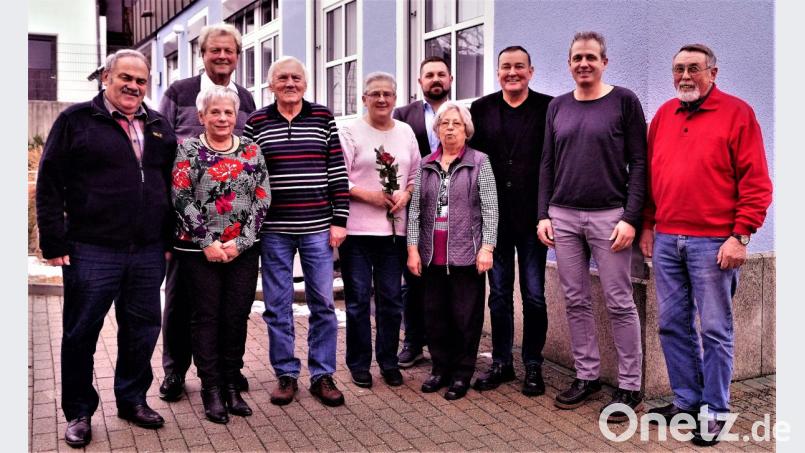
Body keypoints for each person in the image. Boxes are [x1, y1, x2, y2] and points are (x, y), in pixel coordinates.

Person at [36, 49, 177, 448]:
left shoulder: (159, 126)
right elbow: (49, 181)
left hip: (147, 250)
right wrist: (53, 239)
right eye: (125, 78)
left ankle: (132, 399)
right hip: (91, 248)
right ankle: (79, 411)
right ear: (106, 78)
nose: (133, 86)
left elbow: (170, 186)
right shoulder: (76, 120)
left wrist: (167, 239)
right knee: (81, 332)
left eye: (141, 80)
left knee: (143, 329)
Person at [640, 43, 772, 446]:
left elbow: (756, 183)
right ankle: (686, 404)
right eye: (678, 68)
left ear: (713, 73)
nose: (684, 76)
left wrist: (741, 235)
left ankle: (715, 412)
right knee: (672, 325)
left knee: (715, 330)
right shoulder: (663, 115)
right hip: (666, 239)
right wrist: (648, 225)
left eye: (693, 68)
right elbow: (650, 178)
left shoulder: (738, 114)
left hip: (714, 243)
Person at [536, 32, 646, 421]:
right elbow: (547, 162)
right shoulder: (558, 107)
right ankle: (587, 376)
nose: (584, 63)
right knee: (576, 299)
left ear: (604, 62)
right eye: (577, 58)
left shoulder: (624, 101)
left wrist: (632, 218)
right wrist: (543, 214)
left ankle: (630, 385)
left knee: (619, 301)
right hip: (563, 216)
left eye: (591, 57)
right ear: (569, 64)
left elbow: (640, 163)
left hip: (609, 217)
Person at [158, 23, 256, 401]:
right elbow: (163, 151)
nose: (222, 56)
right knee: (182, 300)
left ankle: (224, 372)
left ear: (236, 55)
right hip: (187, 224)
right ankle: (174, 372)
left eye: (228, 51)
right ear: (202, 54)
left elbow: (246, 159)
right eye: (215, 50)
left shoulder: (245, 99)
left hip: (232, 227)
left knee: (226, 304)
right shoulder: (179, 92)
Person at [244, 56, 350, 407]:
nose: (290, 83)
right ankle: (286, 374)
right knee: (277, 306)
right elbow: (247, 177)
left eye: (297, 77)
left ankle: (322, 375)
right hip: (274, 230)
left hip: (318, 227)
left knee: (322, 303)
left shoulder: (323, 118)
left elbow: (337, 169)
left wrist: (340, 220)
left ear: (306, 83)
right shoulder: (256, 121)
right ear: (271, 84)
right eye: (283, 78)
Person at [171, 85, 271, 423]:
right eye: (215, 112)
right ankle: (211, 389)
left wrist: (240, 243)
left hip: (242, 250)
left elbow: (262, 198)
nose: (223, 117)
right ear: (202, 116)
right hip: (198, 251)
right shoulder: (188, 149)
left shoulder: (252, 151)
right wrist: (207, 242)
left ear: (236, 116)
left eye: (228, 112)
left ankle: (231, 384)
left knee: (235, 317)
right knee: (206, 318)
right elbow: (181, 196)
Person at [468, 46, 553, 396]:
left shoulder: (549, 107)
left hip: (534, 219)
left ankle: (533, 364)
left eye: (519, 66)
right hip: (495, 220)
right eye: (506, 67)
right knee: (499, 296)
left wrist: (549, 213)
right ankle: (502, 363)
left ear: (531, 71)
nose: (512, 72)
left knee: (534, 295)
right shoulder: (482, 108)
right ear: (498, 71)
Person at [407, 101, 498, 401]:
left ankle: (461, 374)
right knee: (434, 315)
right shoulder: (425, 164)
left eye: (455, 124)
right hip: (432, 253)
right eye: (444, 123)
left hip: (467, 253)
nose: (449, 129)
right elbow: (415, 211)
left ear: (466, 130)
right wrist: (412, 249)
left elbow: (490, 209)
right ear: (437, 130)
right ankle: (439, 369)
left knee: (465, 317)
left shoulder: (479, 161)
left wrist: (487, 247)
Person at [339, 72, 421, 388]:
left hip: (393, 232)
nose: (382, 99)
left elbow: (415, 174)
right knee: (358, 299)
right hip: (358, 231)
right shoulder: (350, 132)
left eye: (388, 93)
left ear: (395, 98)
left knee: (391, 299)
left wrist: (407, 194)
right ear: (364, 99)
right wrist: (369, 195)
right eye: (375, 94)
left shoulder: (406, 132)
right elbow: (339, 178)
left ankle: (388, 361)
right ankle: (359, 363)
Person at [392, 56, 453, 368]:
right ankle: (413, 341)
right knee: (412, 278)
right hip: (413, 205)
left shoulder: (461, 115)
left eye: (441, 74)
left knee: (447, 277)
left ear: (451, 79)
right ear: (420, 82)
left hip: (451, 208)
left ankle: (446, 343)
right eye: (429, 75)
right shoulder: (402, 116)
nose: (435, 79)